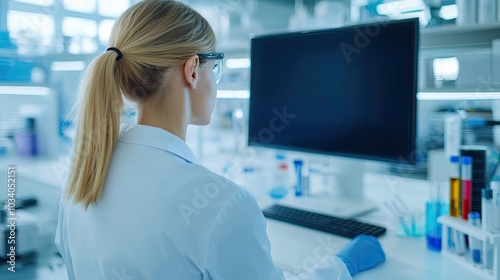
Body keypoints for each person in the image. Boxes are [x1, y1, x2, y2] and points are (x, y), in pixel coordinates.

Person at [55, 0, 385, 279]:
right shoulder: (223, 206)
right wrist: (341, 265)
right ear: (193, 70)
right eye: (216, 68)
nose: (215, 81)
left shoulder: (83, 179)